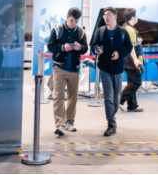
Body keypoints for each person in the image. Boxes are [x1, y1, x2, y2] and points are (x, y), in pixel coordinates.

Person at [90, 7, 133, 137]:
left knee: (116, 99)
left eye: (108, 14)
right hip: (104, 68)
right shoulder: (101, 31)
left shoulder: (123, 32)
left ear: (115, 16)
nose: (106, 17)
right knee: (108, 97)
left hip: (118, 69)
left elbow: (129, 47)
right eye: (104, 15)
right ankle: (111, 124)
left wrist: (120, 53)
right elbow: (93, 45)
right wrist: (96, 49)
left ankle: (111, 116)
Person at [47, 7, 88, 137]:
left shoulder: (81, 32)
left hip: (74, 69)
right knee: (58, 96)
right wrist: (62, 47)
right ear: (67, 17)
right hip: (59, 68)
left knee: (72, 96)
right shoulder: (57, 30)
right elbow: (50, 46)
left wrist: (79, 47)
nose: (73, 23)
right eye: (71, 20)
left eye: (76, 21)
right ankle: (60, 124)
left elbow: (85, 48)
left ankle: (70, 121)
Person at [120, 8, 144, 113]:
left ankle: (132, 105)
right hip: (131, 60)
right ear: (132, 17)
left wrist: (139, 40)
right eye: (137, 16)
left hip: (128, 60)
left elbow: (132, 42)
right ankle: (120, 99)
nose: (137, 17)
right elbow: (130, 47)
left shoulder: (128, 27)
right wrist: (135, 60)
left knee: (131, 82)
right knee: (136, 82)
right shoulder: (129, 29)